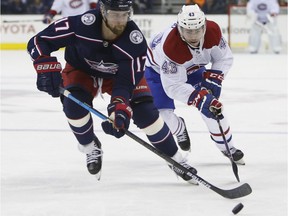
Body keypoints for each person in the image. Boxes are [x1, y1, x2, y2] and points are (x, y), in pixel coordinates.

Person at [27, 0, 198, 183]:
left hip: (118, 76)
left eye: (124, 15)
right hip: (81, 70)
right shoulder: (80, 24)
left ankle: (176, 160)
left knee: (145, 113)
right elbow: (38, 41)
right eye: (115, 14)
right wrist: (44, 64)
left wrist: (119, 108)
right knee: (73, 106)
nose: (120, 21)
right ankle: (90, 146)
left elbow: (125, 83)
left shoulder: (135, 41)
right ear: (102, 11)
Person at [144, 4, 245, 164]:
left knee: (213, 108)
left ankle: (229, 148)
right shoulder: (170, 47)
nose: (193, 35)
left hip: (193, 68)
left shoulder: (212, 32)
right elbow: (173, 86)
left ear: (204, 26)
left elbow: (224, 58)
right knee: (162, 115)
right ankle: (179, 128)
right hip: (157, 72)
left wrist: (216, 77)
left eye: (197, 30)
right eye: (188, 31)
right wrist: (197, 98)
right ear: (179, 28)